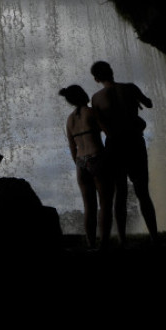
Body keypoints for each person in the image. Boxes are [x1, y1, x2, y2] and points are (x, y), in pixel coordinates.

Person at [90, 60, 159, 245]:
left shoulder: (96, 98)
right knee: (143, 192)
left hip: (115, 145)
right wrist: (136, 104)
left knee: (120, 194)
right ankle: (154, 237)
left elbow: (102, 127)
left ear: (96, 79)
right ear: (111, 71)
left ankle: (122, 240)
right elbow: (149, 104)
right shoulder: (130, 88)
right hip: (135, 141)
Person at [60, 84, 113, 249]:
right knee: (105, 204)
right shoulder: (91, 112)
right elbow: (109, 133)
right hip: (97, 157)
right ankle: (104, 243)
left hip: (80, 163)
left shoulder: (70, 120)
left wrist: (78, 163)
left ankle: (90, 244)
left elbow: (72, 146)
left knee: (89, 207)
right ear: (83, 94)